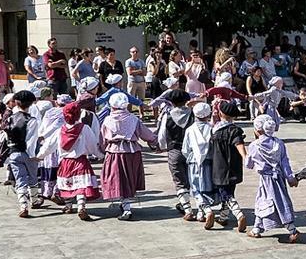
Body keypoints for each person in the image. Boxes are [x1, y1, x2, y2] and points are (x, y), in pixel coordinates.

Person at [35, 102, 101, 220]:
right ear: (79, 114)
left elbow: (49, 146)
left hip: (65, 162)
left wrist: (39, 156)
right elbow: (92, 145)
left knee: (67, 185)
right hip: (81, 161)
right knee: (81, 186)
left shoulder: (60, 130)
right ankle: (81, 206)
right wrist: (100, 155)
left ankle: (68, 205)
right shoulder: (84, 128)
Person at [100, 92, 159, 220]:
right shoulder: (133, 119)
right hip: (132, 153)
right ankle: (125, 205)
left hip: (114, 153)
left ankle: (126, 207)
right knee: (128, 179)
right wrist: (155, 141)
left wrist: (100, 151)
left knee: (119, 180)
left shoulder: (107, 120)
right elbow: (146, 134)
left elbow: (102, 139)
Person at [245, 114, 300, 242]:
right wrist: (290, 177)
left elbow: (248, 165)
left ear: (258, 130)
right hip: (278, 178)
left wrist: (247, 156)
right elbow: (285, 162)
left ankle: (292, 229)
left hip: (265, 179)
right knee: (278, 200)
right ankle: (257, 228)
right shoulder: (279, 143)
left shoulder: (254, 145)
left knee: (265, 201)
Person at [206, 101, 248, 231]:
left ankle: (238, 214)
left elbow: (238, 144)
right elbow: (239, 144)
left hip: (219, 167)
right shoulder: (235, 130)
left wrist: (245, 156)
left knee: (225, 193)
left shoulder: (215, 130)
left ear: (221, 113)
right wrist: (245, 157)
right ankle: (223, 217)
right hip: (234, 166)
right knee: (229, 190)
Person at [155, 89, 195, 217]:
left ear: (171, 102)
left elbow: (162, 134)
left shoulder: (168, 115)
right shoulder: (193, 114)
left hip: (174, 150)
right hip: (191, 151)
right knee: (191, 177)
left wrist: (161, 146)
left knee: (179, 179)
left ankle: (187, 208)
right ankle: (187, 203)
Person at [4, 91, 42, 217]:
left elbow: (6, 136)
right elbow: (31, 140)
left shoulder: (10, 119)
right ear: (31, 104)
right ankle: (35, 200)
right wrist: (33, 155)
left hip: (13, 153)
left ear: (17, 103)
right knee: (32, 177)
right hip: (27, 153)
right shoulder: (31, 120)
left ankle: (23, 205)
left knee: (20, 179)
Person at [182, 102, 214, 223]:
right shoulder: (211, 128)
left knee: (195, 187)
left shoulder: (190, 130)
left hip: (194, 161)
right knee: (206, 186)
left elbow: (185, 149)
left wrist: (188, 157)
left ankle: (206, 210)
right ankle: (201, 214)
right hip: (209, 161)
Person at [0, 47, 13, 126]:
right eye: (0, 54)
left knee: (7, 102)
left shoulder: (5, 63)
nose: (2, 56)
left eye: (2, 54)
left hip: (4, 85)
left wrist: (8, 84)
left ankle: (6, 118)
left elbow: (9, 72)